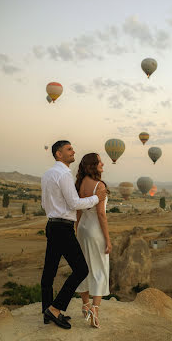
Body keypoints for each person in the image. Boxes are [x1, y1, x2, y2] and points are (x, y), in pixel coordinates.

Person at [41, 141, 106, 329]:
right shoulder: (64, 174)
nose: (73, 151)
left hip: (52, 225)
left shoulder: (47, 174)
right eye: (69, 149)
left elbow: (45, 204)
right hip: (63, 227)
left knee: (49, 272)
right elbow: (74, 203)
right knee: (81, 270)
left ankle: (47, 312)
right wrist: (97, 198)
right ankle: (55, 309)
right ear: (58, 154)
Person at [75, 153, 111, 328]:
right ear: (93, 165)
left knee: (84, 267)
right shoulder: (100, 185)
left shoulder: (81, 183)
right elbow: (101, 214)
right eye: (99, 161)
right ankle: (95, 310)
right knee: (100, 269)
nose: (103, 163)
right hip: (95, 231)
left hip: (82, 229)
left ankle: (85, 305)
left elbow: (78, 211)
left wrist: (76, 230)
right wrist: (108, 240)